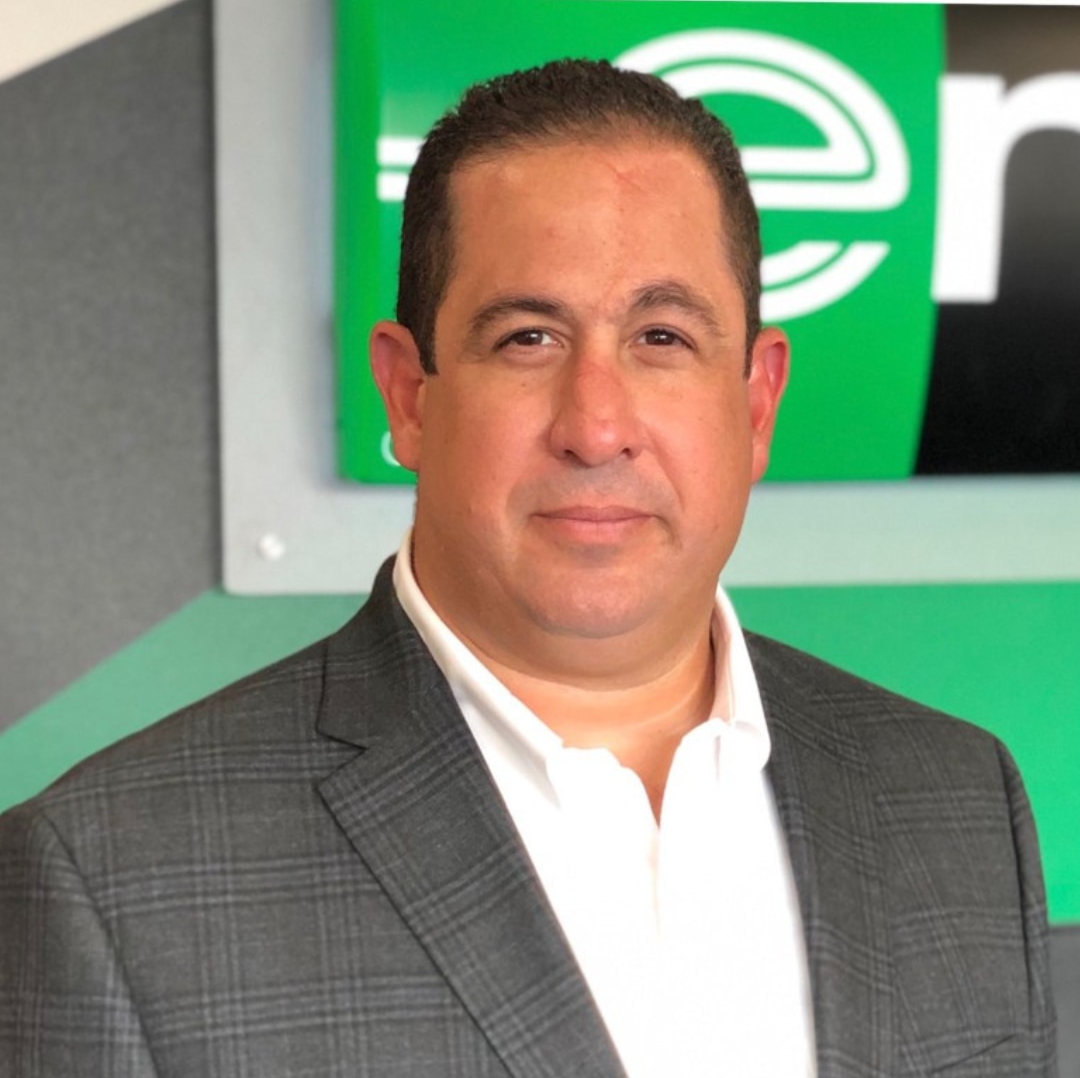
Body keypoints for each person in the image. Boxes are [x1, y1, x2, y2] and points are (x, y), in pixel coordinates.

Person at [0, 59, 1055, 1078]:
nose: (595, 426)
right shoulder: (108, 878)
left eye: (661, 337)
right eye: (528, 339)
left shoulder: (954, 799)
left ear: (755, 402)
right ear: (409, 396)